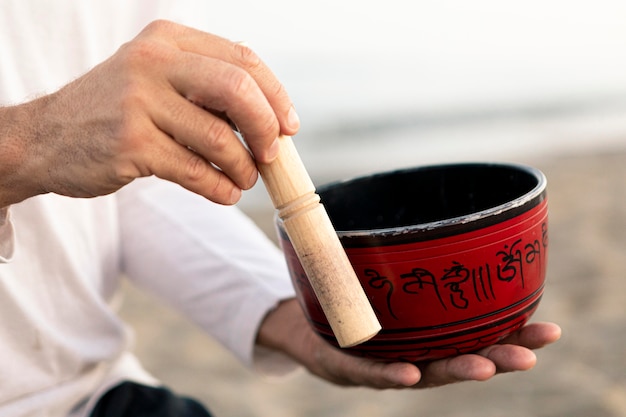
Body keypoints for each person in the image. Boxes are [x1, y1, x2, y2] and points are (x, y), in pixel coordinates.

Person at [0, 1, 561, 416]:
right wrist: (26, 147)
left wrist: (287, 313)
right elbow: (63, 144)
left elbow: (130, 173)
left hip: (85, 393)